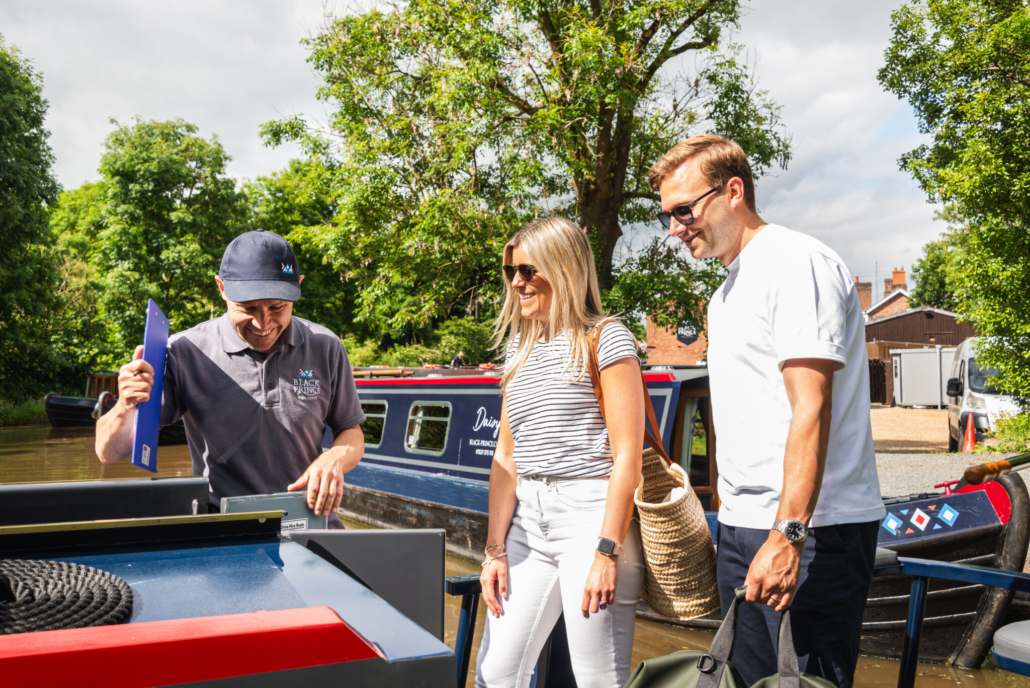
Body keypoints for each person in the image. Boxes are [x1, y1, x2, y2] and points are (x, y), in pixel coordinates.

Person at [651, 135, 884, 687]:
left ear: (733, 191)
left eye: (684, 210)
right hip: (746, 528)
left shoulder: (795, 263)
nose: (674, 228)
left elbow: (812, 407)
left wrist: (787, 537)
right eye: (667, 215)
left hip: (812, 532)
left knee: (802, 682)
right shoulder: (726, 292)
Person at [95, 229, 366, 527]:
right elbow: (108, 453)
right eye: (247, 308)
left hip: (311, 522)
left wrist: (335, 458)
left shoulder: (326, 346)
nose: (263, 323)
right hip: (224, 529)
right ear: (221, 288)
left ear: (297, 287)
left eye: (278, 307)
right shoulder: (185, 352)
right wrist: (125, 405)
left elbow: (351, 432)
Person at [476, 218, 646, 688]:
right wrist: (493, 550)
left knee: (598, 680)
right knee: (495, 673)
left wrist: (607, 551)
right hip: (528, 523)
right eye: (511, 271)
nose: (516, 282)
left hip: (591, 520)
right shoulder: (517, 349)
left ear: (563, 266)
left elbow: (627, 458)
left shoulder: (606, 338)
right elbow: (507, 457)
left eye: (528, 269)